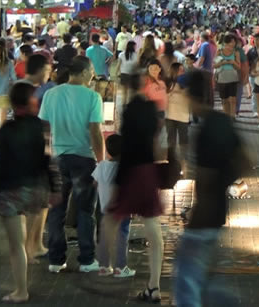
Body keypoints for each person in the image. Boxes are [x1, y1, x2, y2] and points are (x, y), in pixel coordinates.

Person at [174, 70, 248, 306]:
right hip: (218, 213)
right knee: (208, 279)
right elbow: (247, 161)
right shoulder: (222, 121)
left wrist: (195, 218)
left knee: (188, 282)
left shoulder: (204, 132)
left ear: (189, 95)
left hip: (204, 219)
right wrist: (225, 181)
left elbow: (205, 180)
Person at [0, 82, 62, 303]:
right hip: (36, 189)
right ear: (32, 102)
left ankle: (21, 290)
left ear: (12, 103)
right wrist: (55, 187)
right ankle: (32, 253)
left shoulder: (5, 131)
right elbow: (48, 159)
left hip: (11, 192)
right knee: (26, 236)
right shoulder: (42, 126)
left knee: (16, 245)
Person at [39, 56, 105, 273]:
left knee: (56, 211)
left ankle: (56, 260)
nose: (93, 75)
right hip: (83, 159)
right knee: (85, 211)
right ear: (85, 73)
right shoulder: (93, 97)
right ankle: (87, 260)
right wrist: (102, 160)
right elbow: (95, 131)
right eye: (92, 71)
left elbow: (45, 130)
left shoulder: (51, 94)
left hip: (57, 159)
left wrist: (44, 157)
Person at [105, 94, 164, 302]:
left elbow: (126, 156)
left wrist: (116, 187)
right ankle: (154, 286)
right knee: (154, 231)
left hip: (131, 174)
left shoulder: (129, 125)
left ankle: (105, 266)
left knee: (111, 219)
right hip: (148, 173)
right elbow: (157, 148)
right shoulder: (151, 123)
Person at [93, 133, 135, 279]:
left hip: (105, 208)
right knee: (122, 236)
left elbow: (94, 183)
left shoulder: (102, 165)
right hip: (122, 209)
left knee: (105, 236)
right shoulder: (125, 169)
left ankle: (104, 267)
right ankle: (120, 267)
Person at [165, 63, 191, 172]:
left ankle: (183, 163)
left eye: (183, 69)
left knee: (183, 140)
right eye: (180, 70)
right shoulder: (168, 83)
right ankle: (171, 162)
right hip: (170, 115)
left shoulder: (186, 83)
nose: (182, 71)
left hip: (183, 115)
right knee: (171, 139)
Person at [214, 35, 241, 118]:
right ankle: (226, 117)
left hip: (233, 76)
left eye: (234, 42)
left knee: (232, 99)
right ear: (225, 43)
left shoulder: (236, 53)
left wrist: (233, 62)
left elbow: (239, 67)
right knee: (224, 100)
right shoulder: (219, 52)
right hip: (222, 77)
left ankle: (232, 116)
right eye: (231, 42)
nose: (233, 44)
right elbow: (215, 65)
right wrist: (223, 62)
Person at [86, 33, 113, 101]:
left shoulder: (89, 50)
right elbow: (112, 56)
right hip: (103, 74)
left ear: (91, 40)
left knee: (92, 96)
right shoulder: (104, 49)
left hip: (92, 75)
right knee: (101, 95)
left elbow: (87, 61)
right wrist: (106, 61)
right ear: (99, 40)